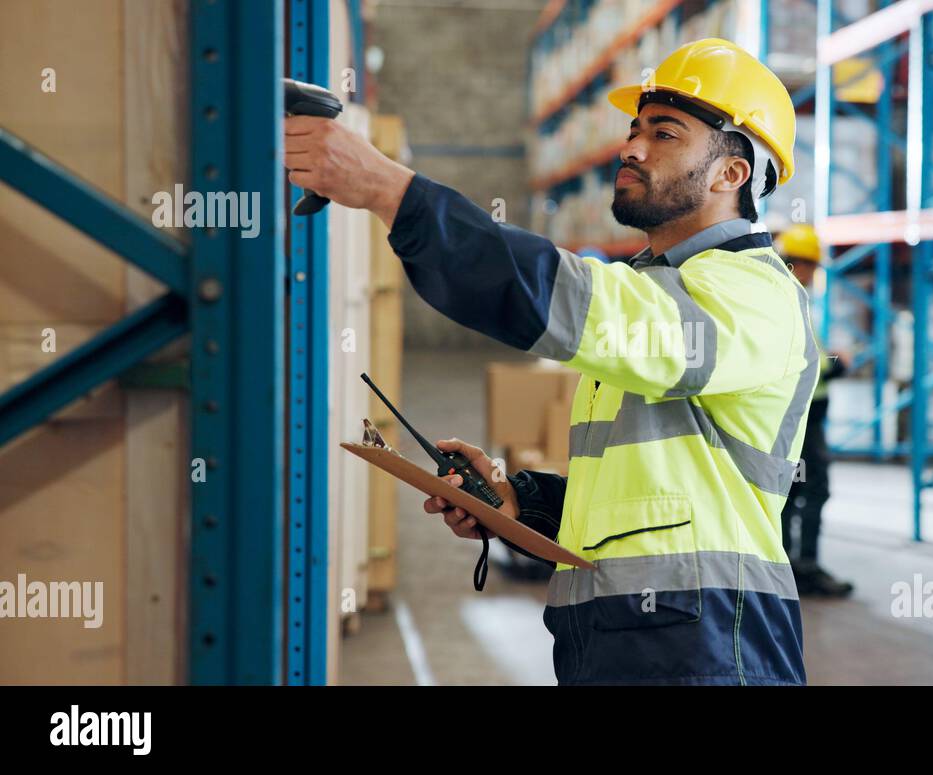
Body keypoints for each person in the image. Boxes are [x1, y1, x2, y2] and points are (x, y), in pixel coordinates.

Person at [284, 38, 816, 685]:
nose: (632, 148)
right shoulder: (661, 293)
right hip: (626, 648)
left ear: (731, 173)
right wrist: (515, 499)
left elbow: (562, 296)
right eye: (634, 129)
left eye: (665, 133)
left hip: (713, 654)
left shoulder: (753, 293)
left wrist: (388, 189)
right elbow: (646, 510)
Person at [774, 224, 853, 598]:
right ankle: (801, 566)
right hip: (802, 415)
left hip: (798, 414)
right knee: (810, 489)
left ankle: (788, 565)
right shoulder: (786, 298)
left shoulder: (788, 296)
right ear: (800, 265)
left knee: (792, 490)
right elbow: (799, 358)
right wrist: (836, 365)